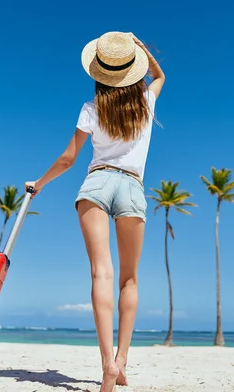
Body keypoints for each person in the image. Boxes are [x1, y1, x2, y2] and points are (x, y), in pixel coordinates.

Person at [25, 31, 165, 392]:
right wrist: (140, 48)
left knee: (100, 275)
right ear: (132, 70)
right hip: (132, 187)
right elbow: (160, 76)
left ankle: (105, 363)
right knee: (128, 279)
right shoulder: (147, 103)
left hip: (97, 184)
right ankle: (121, 360)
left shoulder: (91, 109)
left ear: (99, 73)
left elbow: (69, 158)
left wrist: (39, 184)